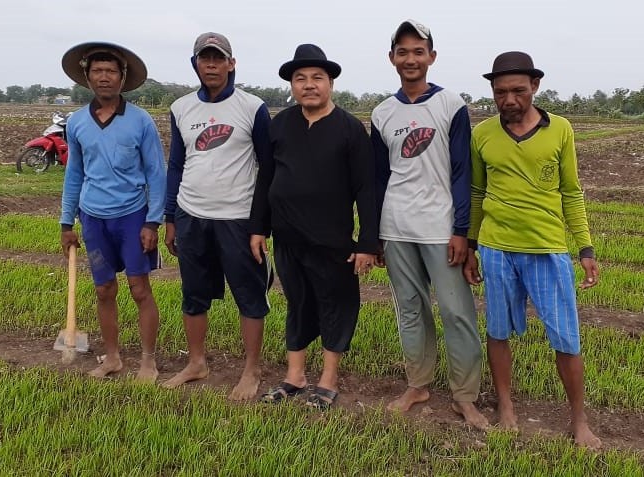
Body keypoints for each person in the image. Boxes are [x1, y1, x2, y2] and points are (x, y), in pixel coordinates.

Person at [464, 51, 602, 448]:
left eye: (518, 91)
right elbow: (476, 192)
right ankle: (506, 407)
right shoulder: (483, 134)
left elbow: (571, 192)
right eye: (500, 92)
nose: (509, 99)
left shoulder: (560, 130)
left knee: (566, 338)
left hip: (547, 249)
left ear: (535, 87)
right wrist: (472, 245)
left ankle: (579, 420)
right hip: (496, 249)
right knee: (498, 330)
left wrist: (585, 248)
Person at [371, 20, 487, 429]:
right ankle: (418, 385)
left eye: (418, 51)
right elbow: (379, 177)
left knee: (457, 312)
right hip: (396, 227)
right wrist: (376, 237)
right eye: (402, 52)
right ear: (392, 59)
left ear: (432, 57)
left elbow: (461, 172)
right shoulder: (382, 112)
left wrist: (461, 231)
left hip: (441, 229)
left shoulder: (451, 105)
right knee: (410, 310)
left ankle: (465, 396)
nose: (410, 59)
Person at [249, 44, 378, 411]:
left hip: (332, 240)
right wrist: (258, 227)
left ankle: (328, 380)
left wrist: (368, 242)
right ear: (292, 85)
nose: (308, 85)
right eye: (300, 78)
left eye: (316, 78)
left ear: (330, 83)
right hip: (287, 237)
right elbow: (266, 180)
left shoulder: (350, 130)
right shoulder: (281, 124)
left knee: (336, 305)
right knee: (298, 303)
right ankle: (295, 376)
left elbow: (366, 189)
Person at [160, 32, 273, 401]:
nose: (211, 64)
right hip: (192, 214)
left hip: (238, 219)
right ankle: (196, 363)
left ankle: (251, 370)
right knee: (193, 295)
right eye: (204, 58)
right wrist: (171, 217)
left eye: (218, 58)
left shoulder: (252, 107)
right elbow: (176, 164)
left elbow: (267, 168)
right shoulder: (181, 109)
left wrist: (261, 225)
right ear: (195, 64)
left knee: (249, 296)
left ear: (231, 63)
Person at [59, 41, 166, 383]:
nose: (104, 77)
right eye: (97, 71)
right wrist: (66, 221)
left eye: (111, 71)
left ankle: (148, 361)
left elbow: (156, 173)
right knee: (104, 290)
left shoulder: (140, 121)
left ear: (122, 78)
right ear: (87, 78)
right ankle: (113, 358)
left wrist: (154, 220)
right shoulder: (76, 123)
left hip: (133, 216)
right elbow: (74, 172)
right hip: (93, 218)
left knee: (139, 288)